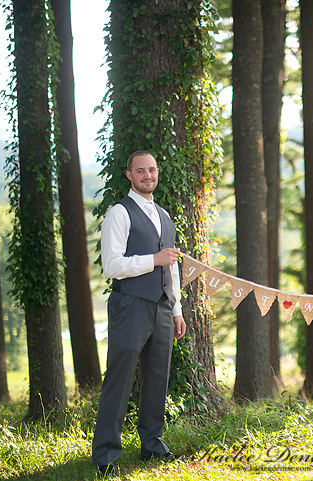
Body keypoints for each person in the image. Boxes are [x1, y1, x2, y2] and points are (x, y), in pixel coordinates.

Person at [92, 150, 186, 476]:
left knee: (157, 377)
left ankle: (152, 444)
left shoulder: (164, 215)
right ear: (129, 175)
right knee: (119, 379)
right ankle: (106, 455)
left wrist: (176, 310)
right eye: (141, 171)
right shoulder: (119, 213)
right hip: (130, 304)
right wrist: (153, 260)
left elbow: (171, 267)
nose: (148, 175)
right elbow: (111, 266)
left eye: (152, 170)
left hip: (162, 306)